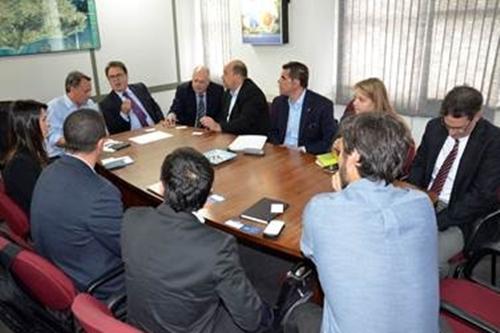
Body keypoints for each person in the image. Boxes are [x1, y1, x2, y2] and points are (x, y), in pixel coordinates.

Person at [286, 112, 439, 333]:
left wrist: (340, 196)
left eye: (341, 152)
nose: (338, 158)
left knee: (299, 312)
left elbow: (310, 251)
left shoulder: (321, 209)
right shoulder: (422, 204)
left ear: (355, 156)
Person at [122, 147, 273, 333]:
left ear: (161, 185)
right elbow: (251, 319)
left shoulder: (131, 218)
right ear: (207, 197)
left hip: (136, 325)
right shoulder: (218, 247)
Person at [31, 109, 124, 301]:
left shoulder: (48, 171)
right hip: (97, 284)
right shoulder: (102, 192)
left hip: (57, 268)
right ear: (101, 144)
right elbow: (126, 249)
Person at [408, 85, 500, 276]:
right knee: (390, 241)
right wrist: (415, 196)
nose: (451, 133)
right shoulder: (434, 127)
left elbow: (481, 196)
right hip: (426, 200)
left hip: (461, 216)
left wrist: (436, 220)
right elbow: (418, 165)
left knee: (428, 259)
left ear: (476, 116)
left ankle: (432, 296)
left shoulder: (493, 141)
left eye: (459, 128)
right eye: (447, 125)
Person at [268, 61, 337, 154]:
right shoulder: (279, 102)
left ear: (296, 83)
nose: (279, 81)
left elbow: (327, 141)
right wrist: (279, 146)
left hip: (306, 155)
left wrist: (303, 149)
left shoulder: (322, 105)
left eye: (283, 78)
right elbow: (271, 132)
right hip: (280, 152)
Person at [2, 100, 49, 215]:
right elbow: (42, 201)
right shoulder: (19, 164)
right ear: (30, 125)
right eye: (44, 120)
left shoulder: (30, 154)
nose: (48, 124)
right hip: (44, 223)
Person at [200, 60, 270, 135]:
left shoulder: (253, 94)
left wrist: (219, 127)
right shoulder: (228, 93)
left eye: (225, 73)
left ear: (237, 76)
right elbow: (221, 116)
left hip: (249, 140)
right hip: (228, 137)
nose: (222, 77)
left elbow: (244, 123)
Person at [99, 61, 165, 134]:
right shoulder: (106, 104)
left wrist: (161, 121)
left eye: (119, 75)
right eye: (112, 77)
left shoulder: (140, 88)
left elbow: (154, 107)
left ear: (126, 75)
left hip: (155, 130)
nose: (116, 79)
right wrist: (124, 114)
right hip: (134, 137)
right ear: (108, 80)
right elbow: (115, 131)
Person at [46, 71, 98, 158]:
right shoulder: (54, 107)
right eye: (86, 91)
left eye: (90, 90)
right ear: (72, 89)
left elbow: (98, 127)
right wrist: (78, 143)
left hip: (86, 152)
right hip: (60, 155)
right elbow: (53, 137)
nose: (89, 95)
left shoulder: (90, 104)